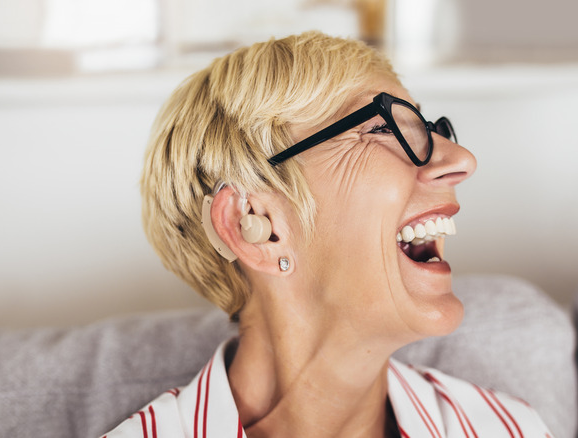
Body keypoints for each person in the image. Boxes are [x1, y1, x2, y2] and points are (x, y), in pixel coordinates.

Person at [103, 31, 552, 437]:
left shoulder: (506, 428)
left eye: (428, 129)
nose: (461, 159)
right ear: (256, 226)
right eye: (382, 127)